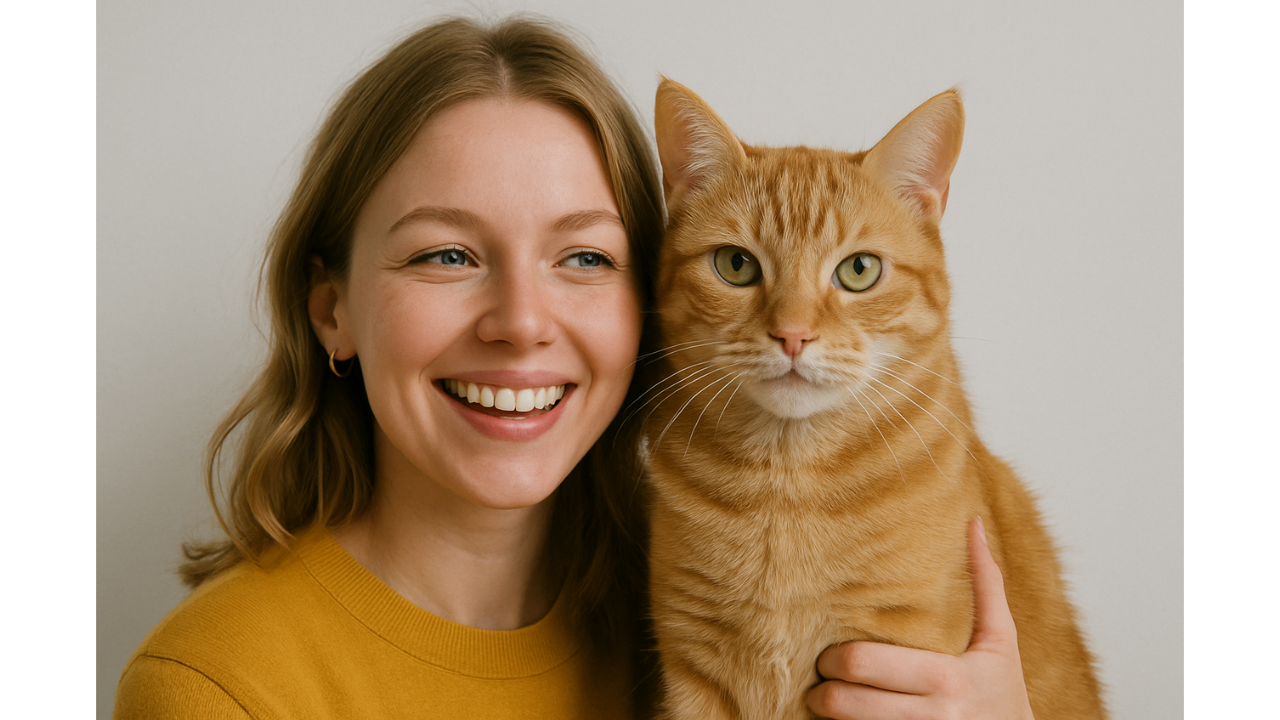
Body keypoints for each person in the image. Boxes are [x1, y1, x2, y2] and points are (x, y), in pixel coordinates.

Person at [113, 15, 1035, 720]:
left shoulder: (665, 574)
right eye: (446, 255)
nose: (520, 325)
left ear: (639, 298)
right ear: (332, 309)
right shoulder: (217, 686)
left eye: (584, 259)